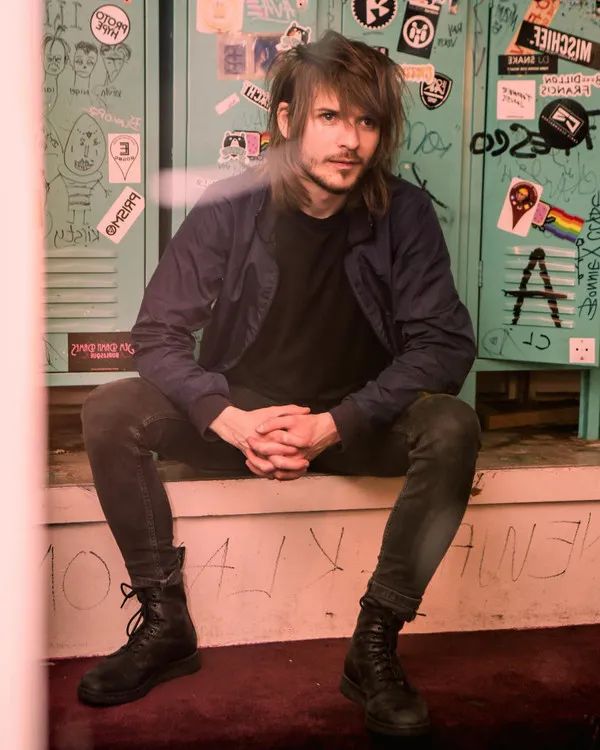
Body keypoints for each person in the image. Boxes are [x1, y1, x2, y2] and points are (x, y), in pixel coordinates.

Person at [78, 31, 480, 737]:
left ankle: (374, 643)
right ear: (288, 120)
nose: (350, 140)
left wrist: (335, 425)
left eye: (367, 121)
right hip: (243, 420)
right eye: (330, 117)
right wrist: (227, 419)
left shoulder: (404, 213)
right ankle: (166, 624)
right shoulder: (229, 206)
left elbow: (444, 344)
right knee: (111, 410)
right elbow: (157, 335)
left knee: (453, 426)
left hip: (355, 423)